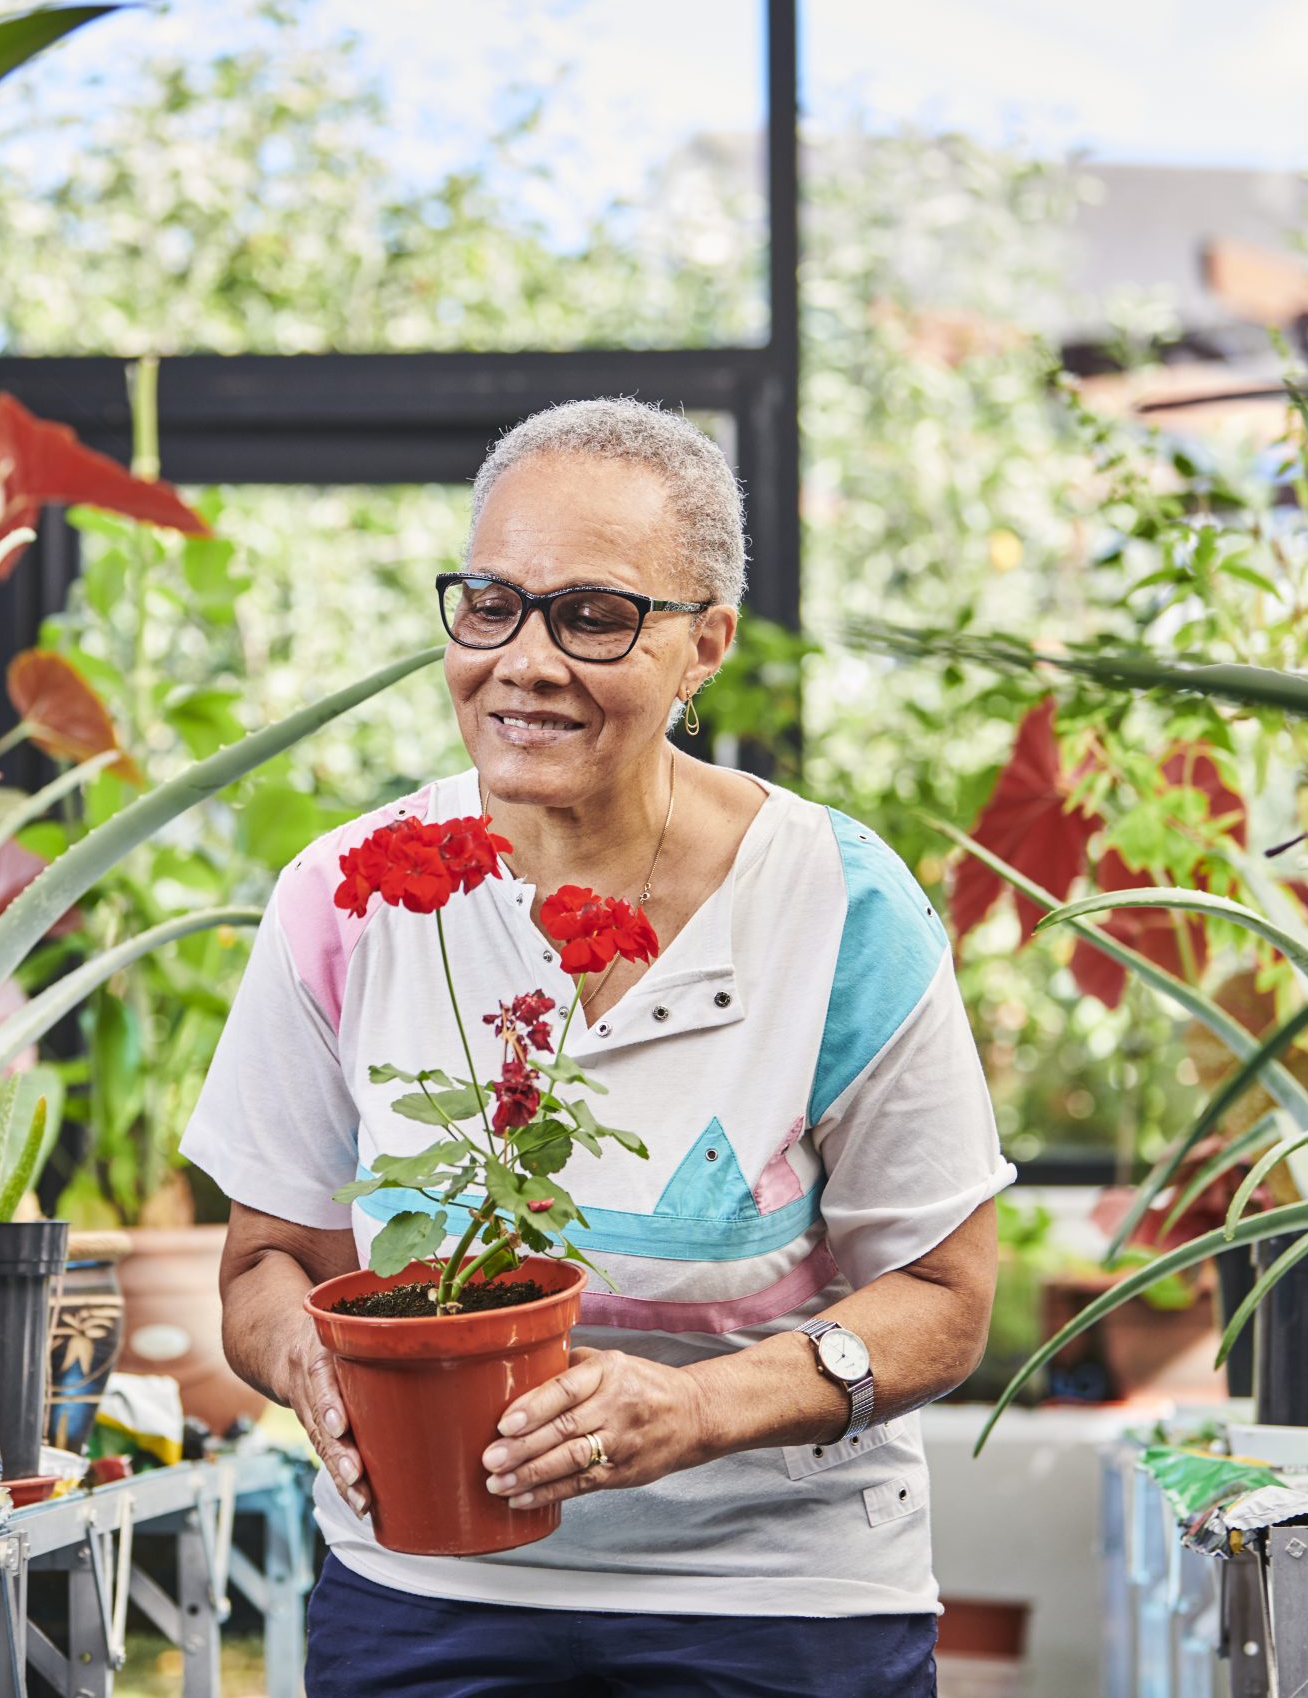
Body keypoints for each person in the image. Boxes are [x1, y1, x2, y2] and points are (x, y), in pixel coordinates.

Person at [180, 397, 1011, 1696]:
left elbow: (947, 1299)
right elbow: (269, 1262)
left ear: (704, 647)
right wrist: (310, 1366)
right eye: (491, 603)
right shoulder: (349, 894)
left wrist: (698, 1410)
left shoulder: (838, 905)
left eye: (595, 615)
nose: (525, 659)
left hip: (776, 1600)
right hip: (428, 1588)